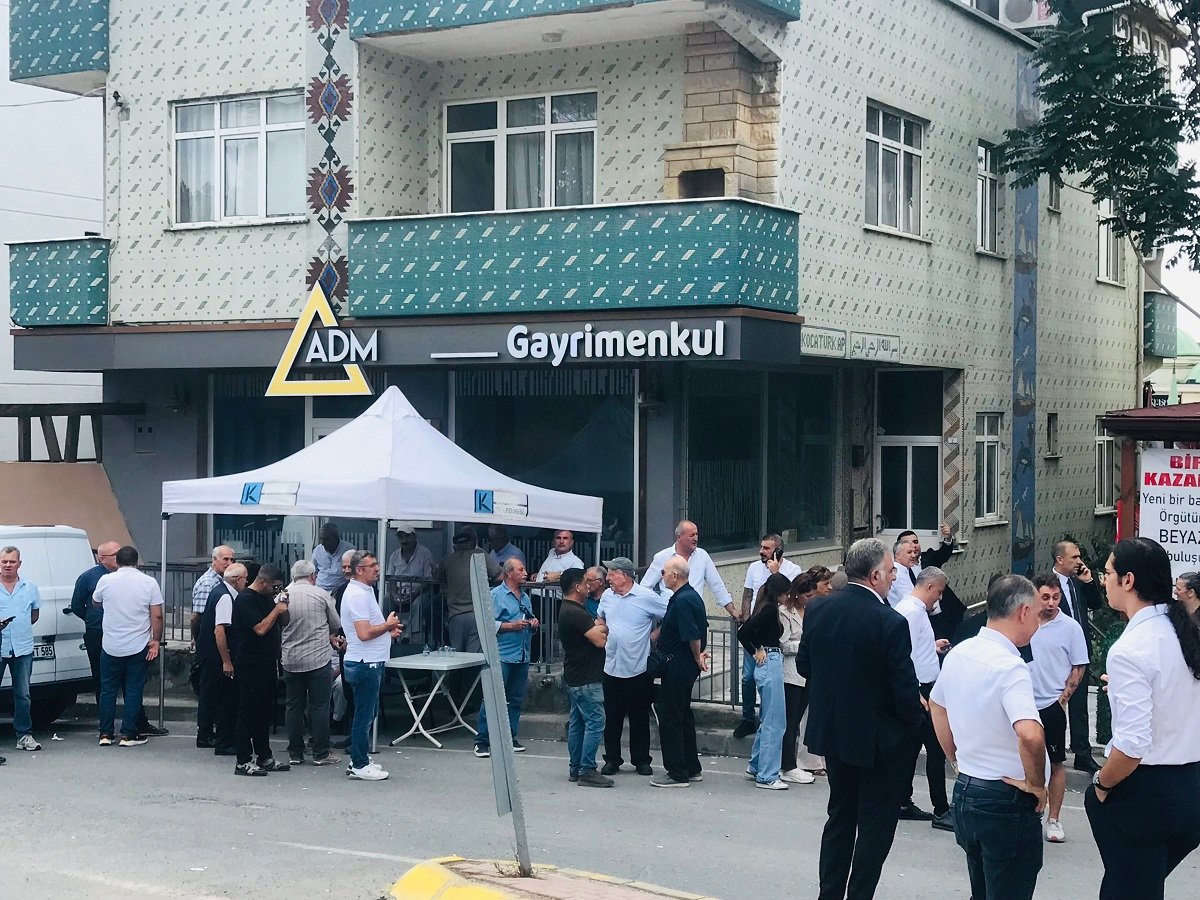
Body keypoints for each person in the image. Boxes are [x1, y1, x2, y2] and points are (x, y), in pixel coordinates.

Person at [797, 537, 922, 900]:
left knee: (840, 817)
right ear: (875, 575)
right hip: (878, 742)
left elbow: (805, 665)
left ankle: (830, 894)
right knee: (875, 828)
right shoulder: (889, 621)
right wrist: (914, 729)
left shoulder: (819, 608)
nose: (894, 576)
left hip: (835, 733)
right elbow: (903, 689)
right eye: (891, 570)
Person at [1087, 537, 1200, 899]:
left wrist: (1101, 783)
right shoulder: (1182, 632)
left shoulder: (1131, 649)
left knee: (1127, 888)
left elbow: (1132, 746)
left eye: (1108, 573)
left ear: (1128, 580)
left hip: (1145, 795)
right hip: (1189, 787)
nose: (1104, 580)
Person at [929, 573, 1048, 900]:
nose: (1039, 623)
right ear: (1023, 612)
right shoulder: (1010, 666)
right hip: (1005, 796)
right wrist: (1037, 785)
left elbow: (937, 705)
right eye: (1038, 614)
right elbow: (1030, 734)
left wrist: (955, 757)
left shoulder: (961, 652)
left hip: (968, 789)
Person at [72, 541, 166, 739]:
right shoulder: (148, 582)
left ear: (118, 561)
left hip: (111, 642)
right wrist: (155, 640)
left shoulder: (106, 581)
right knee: (131, 689)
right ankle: (128, 733)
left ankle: (107, 732)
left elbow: (95, 602)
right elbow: (157, 615)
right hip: (132, 642)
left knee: (109, 689)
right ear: (136, 562)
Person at [1027, 573, 1089, 844]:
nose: (1051, 603)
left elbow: (1079, 665)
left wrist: (1063, 698)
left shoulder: (1071, 628)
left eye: (1056, 597)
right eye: (1045, 597)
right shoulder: (1024, 619)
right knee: (1021, 760)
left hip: (1051, 705)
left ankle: (1054, 819)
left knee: (1055, 763)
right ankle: (1025, 814)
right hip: (1023, 704)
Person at [894, 567, 953, 829]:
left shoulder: (914, 610)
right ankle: (941, 809)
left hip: (922, 686)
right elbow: (901, 653)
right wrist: (915, 691)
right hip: (920, 690)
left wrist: (932, 646)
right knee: (936, 749)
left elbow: (913, 648)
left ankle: (902, 800)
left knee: (912, 747)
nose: (938, 599)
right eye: (938, 592)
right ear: (929, 587)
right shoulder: (912, 612)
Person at [598, 556, 668, 777]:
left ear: (625, 575)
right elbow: (600, 618)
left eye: (612, 573)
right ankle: (612, 759)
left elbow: (670, 615)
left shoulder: (646, 596)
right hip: (612, 665)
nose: (608, 578)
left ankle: (641, 760)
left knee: (639, 717)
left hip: (638, 667)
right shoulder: (607, 596)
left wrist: (655, 635)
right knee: (612, 717)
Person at [733, 534, 803, 739]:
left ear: (778, 550)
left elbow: (789, 597)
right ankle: (747, 718)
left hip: (774, 631)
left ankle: (765, 717)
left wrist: (776, 572)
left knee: (769, 683)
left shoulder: (792, 570)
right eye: (761, 547)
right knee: (748, 678)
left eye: (767, 548)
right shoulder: (754, 568)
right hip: (756, 630)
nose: (761, 552)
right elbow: (748, 595)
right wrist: (748, 621)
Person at [650, 555, 710, 788]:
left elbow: (692, 634)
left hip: (678, 666)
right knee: (683, 716)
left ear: (675, 575)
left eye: (664, 572)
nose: (662, 576)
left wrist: (697, 657)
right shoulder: (688, 596)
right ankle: (691, 767)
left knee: (671, 718)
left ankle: (677, 772)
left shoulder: (684, 600)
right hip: (681, 665)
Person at [341, 551, 401, 781]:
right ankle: (359, 763)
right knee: (364, 715)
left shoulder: (363, 591)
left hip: (368, 660)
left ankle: (359, 759)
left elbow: (367, 630)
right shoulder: (357, 594)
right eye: (372, 565)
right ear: (359, 570)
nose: (377, 569)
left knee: (367, 713)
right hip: (365, 662)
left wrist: (387, 631)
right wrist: (387, 626)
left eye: (377, 564)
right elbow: (364, 633)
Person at [280, 559, 343, 767]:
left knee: (293, 706)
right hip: (318, 659)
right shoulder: (321, 594)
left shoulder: (283, 596)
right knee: (319, 707)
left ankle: (295, 753)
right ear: (313, 576)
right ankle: (320, 753)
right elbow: (335, 623)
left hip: (291, 659)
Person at [230, 563, 290, 776]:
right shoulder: (246, 599)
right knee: (248, 711)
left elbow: (284, 622)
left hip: (268, 662)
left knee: (264, 712)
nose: (276, 590)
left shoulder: (267, 598)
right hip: (250, 663)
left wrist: (283, 606)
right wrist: (276, 610)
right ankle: (243, 760)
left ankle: (264, 756)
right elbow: (261, 629)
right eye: (274, 587)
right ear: (262, 581)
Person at [474, 558, 538, 757]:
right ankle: (482, 741)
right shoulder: (495, 595)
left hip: (522, 654)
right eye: (521, 569)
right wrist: (510, 626)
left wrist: (533, 623)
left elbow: (528, 619)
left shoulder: (525, 597)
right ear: (509, 573)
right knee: (493, 698)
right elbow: (486, 623)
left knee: (515, 699)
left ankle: (510, 737)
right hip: (502, 654)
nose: (525, 573)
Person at [1051, 539, 1103, 774]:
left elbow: (1096, 604)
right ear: (1060, 559)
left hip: (1079, 651)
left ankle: (1082, 753)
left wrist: (1089, 581)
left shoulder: (1077, 581)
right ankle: (1054, 750)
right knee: (1055, 702)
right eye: (1074, 557)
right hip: (1057, 653)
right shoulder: (1047, 584)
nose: (1079, 561)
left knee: (1079, 705)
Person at [557, 568, 611, 787]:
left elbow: (595, 633)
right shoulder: (576, 613)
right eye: (586, 582)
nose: (589, 586)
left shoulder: (570, 609)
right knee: (595, 722)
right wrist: (602, 627)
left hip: (576, 674)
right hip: (586, 676)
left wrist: (597, 628)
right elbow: (600, 640)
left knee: (578, 722)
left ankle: (576, 766)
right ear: (577, 587)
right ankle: (587, 769)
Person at [738, 573, 792, 791]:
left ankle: (756, 765)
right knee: (775, 721)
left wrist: (755, 649)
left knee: (769, 718)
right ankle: (767, 775)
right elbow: (744, 633)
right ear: (779, 593)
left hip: (766, 661)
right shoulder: (769, 610)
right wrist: (756, 650)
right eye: (786, 593)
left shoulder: (764, 607)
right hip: (771, 661)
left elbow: (745, 632)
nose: (787, 597)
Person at [197, 563, 246, 756]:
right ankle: (222, 740)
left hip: (210, 654)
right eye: (245, 579)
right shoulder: (225, 597)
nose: (246, 582)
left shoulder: (218, 591)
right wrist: (226, 660)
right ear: (237, 580)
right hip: (217, 656)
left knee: (210, 695)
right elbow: (220, 630)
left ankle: (206, 734)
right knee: (225, 698)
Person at [640, 520, 737, 618]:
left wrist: (732, 610)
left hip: (695, 614)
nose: (695, 538)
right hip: (670, 615)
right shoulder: (662, 557)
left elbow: (717, 585)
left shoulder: (702, 555)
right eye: (691, 535)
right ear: (679, 537)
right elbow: (645, 587)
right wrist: (660, 606)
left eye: (696, 534)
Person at [888, 526, 966, 642]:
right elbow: (910, 598)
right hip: (925, 617)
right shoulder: (898, 573)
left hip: (947, 611)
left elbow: (943, 554)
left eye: (915, 542)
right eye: (908, 550)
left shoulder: (927, 558)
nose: (913, 548)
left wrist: (948, 538)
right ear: (898, 553)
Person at [0, 545, 42, 752]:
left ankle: (24, 735)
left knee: (23, 694)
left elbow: (34, 615)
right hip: (0, 646)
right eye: (4, 561)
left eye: (12, 561)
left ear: (19, 563)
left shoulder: (30, 587)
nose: (8, 565)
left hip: (22, 648)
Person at [435, 526, 501, 655]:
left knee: (456, 656)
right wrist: (486, 582)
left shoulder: (448, 560)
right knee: (473, 658)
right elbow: (500, 576)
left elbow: (437, 577)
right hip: (477, 614)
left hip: (455, 616)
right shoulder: (480, 556)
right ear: (472, 543)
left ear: (455, 546)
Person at [782, 574, 819, 782]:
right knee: (790, 721)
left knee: (798, 720)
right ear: (797, 595)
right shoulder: (785, 612)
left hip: (807, 672)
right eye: (807, 596)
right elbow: (783, 643)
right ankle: (787, 764)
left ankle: (791, 762)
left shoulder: (812, 611)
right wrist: (804, 645)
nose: (810, 599)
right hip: (790, 672)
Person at [385, 524, 435, 638]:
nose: (404, 540)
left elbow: (428, 579)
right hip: (400, 592)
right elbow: (391, 578)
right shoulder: (394, 555)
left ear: (414, 537)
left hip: (420, 592)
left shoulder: (425, 553)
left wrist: (414, 595)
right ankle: (385, 633)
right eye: (401, 537)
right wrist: (394, 594)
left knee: (418, 603)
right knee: (386, 600)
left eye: (407, 536)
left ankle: (411, 635)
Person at [311, 523, 354, 594]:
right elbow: (312, 572)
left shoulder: (349, 549)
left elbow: (354, 574)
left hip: (339, 591)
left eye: (326, 539)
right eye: (321, 539)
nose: (322, 543)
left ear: (335, 537)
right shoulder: (318, 550)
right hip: (319, 590)